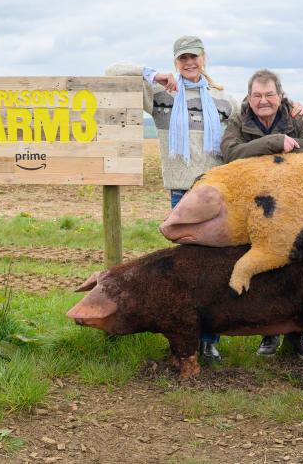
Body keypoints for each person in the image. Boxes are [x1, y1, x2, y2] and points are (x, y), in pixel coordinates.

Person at [107, 35, 244, 362]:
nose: (189, 63)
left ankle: (211, 339)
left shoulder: (224, 99)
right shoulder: (159, 95)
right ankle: (191, 335)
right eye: (182, 58)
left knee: (219, 267)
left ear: (204, 57)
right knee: (190, 270)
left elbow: (247, 133)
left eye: (194, 56)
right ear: (175, 62)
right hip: (182, 194)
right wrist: (152, 74)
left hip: (217, 192)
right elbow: (112, 73)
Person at [221, 68, 303, 360]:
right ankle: (268, 335)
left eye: (270, 94)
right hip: (256, 206)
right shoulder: (239, 118)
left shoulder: (295, 114)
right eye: (257, 95)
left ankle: (297, 338)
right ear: (249, 97)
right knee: (261, 268)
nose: (264, 100)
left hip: (295, 207)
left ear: (280, 96)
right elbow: (230, 153)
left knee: (298, 268)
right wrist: (274, 143)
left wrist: (274, 148)